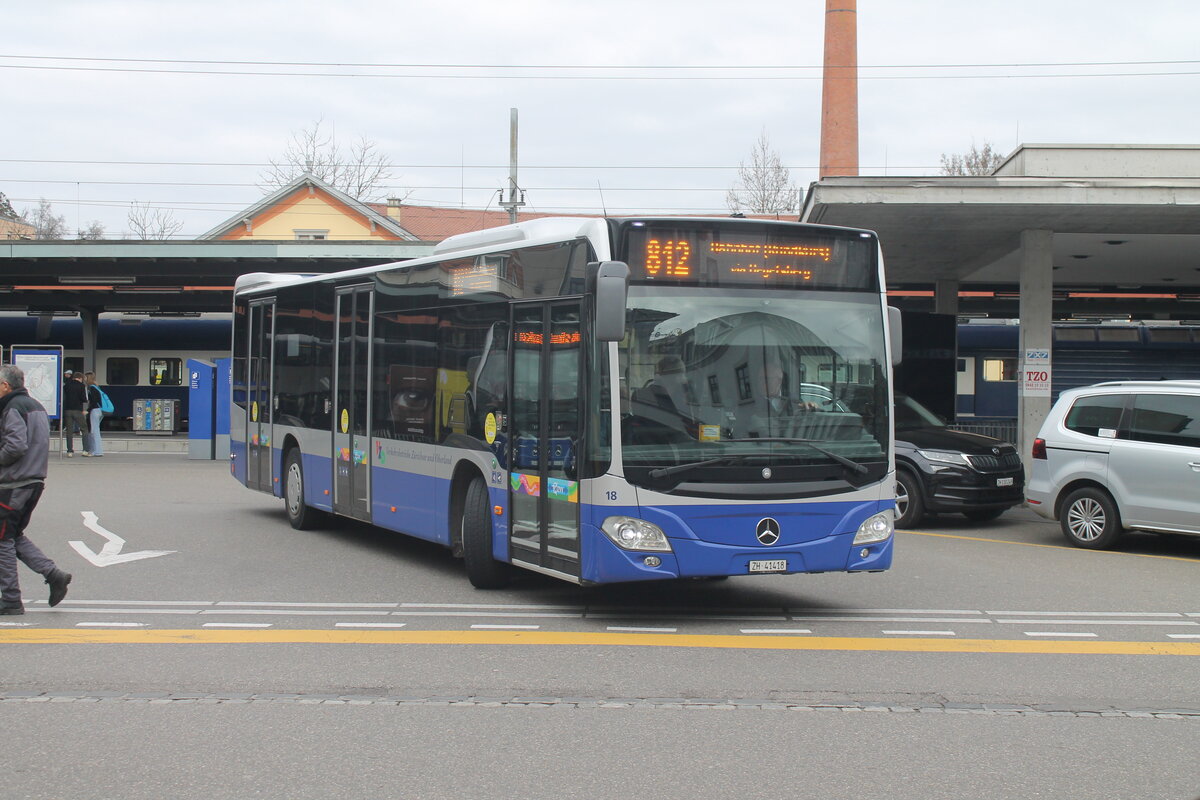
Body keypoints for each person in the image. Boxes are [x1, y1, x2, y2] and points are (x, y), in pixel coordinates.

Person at [0, 365, 72, 615]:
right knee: (12, 535)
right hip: (34, 481)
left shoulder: (12, 407)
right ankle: (54, 575)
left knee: (2, 541)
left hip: (13, 483)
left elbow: (15, 446)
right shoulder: (36, 406)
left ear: (5, 386)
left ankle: (10, 599)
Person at [733, 362, 816, 439]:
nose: (761, 382)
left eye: (766, 379)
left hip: (789, 448)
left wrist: (811, 407)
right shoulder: (749, 404)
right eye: (760, 379)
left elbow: (803, 422)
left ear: (779, 381)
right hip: (759, 450)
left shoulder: (793, 400)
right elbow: (738, 434)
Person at [62, 370, 88, 457]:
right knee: (84, 429)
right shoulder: (82, 386)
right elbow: (84, 399)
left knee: (69, 431)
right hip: (78, 410)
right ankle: (85, 450)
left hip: (68, 410)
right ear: (80, 378)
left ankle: (69, 451)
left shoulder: (66, 385)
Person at [83, 372, 105, 457]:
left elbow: (93, 401)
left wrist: (88, 410)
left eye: (85, 377)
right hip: (99, 410)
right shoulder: (96, 387)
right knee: (95, 430)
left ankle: (97, 451)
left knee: (94, 431)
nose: (84, 379)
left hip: (94, 411)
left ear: (88, 378)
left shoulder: (92, 388)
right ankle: (97, 450)